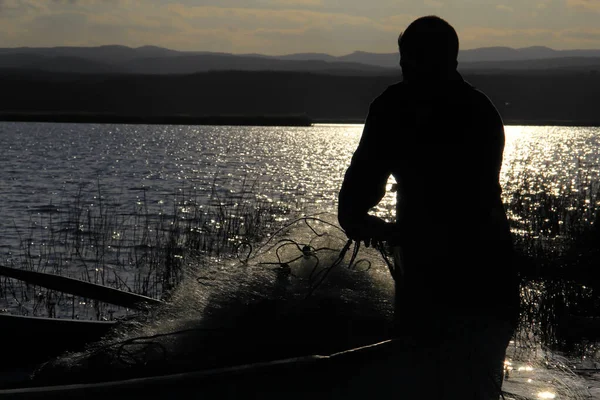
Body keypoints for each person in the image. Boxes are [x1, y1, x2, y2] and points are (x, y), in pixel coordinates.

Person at [338, 15, 520, 400]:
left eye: (409, 63)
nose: (405, 70)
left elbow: (357, 197)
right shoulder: (482, 110)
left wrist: (368, 224)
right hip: (492, 285)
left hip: (436, 287)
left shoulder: (396, 107)